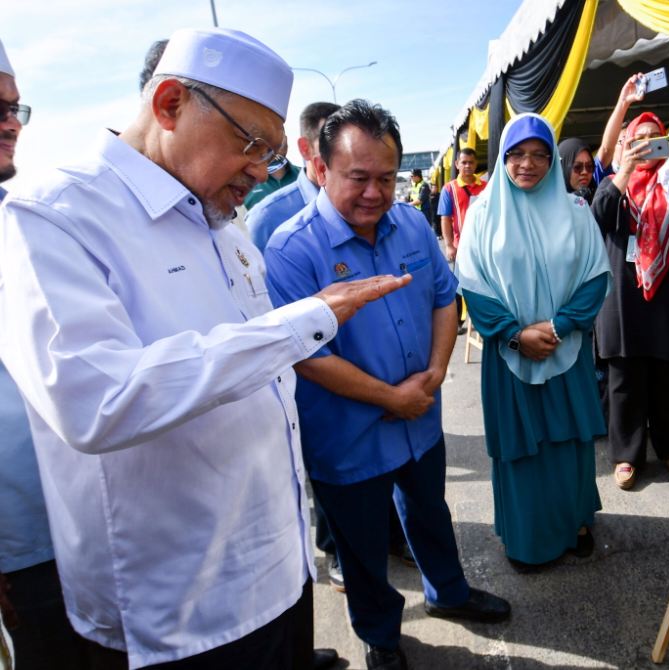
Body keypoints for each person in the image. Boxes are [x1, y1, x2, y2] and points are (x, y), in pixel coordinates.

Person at [0, 27, 415, 669]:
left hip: (279, 569)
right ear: (169, 104)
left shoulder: (222, 214)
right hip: (180, 612)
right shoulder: (54, 216)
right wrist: (300, 322)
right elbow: (95, 401)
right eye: (250, 143)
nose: (260, 169)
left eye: (273, 153)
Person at [264, 100, 511, 670]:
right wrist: (389, 397)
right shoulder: (292, 249)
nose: (375, 193)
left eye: (385, 178)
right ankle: (379, 633)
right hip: (348, 436)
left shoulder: (413, 224)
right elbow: (306, 355)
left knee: (430, 513)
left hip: (420, 417)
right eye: (358, 178)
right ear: (322, 169)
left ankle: (448, 593)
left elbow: (446, 298)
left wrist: (436, 371)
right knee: (362, 546)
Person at [456, 113, 611, 572]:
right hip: (510, 357)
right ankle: (529, 540)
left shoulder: (576, 212)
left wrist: (559, 327)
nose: (528, 163)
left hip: (567, 349)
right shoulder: (482, 214)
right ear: (503, 157)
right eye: (518, 154)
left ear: (551, 159)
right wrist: (514, 334)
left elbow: (595, 276)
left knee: (570, 443)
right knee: (523, 448)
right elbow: (473, 284)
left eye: (539, 154)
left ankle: (575, 523)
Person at [0, 36, 90, 670]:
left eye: (15, 108)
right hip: (20, 544)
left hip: (81, 521)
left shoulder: (24, 218)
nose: (11, 123)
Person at [592, 112, 669, 489]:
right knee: (624, 378)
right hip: (623, 293)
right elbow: (599, 216)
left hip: (667, 291)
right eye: (638, 138)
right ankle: (627, 456)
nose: (646, 143)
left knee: (666, 374)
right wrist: (625, 173)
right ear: (627, 144)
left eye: (653, 137)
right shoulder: (615, 181)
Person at [246, 102, 340, 252]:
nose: (342, 157)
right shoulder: (263, 218)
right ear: (305, 148)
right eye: (329, 146)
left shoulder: (366, 205)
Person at [593, 73, 646, 183]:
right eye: (622, 141)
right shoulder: (606, 175)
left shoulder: (649, 177)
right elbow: (606, 149)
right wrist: (623, 102)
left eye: (632, 141)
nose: (627, 145)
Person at [440, 148, 486, 262]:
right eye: (464, 162)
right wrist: (449, 245)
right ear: (457, 164)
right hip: (462, 245)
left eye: (471, 162)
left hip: (485, 244)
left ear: (476, 164)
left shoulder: (487, 186)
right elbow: (445, 219)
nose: (467, 165)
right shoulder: (449, 188)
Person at [557, 138, 596, 203]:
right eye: (577, 167)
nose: (585, 172)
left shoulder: (598, 202)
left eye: (589, 166)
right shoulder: (548, 203)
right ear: (563, 168)